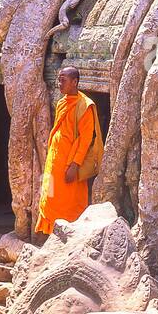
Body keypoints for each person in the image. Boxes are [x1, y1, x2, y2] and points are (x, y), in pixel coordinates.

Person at [35, 66, 97, 236]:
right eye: (59, 79)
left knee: (69, 204)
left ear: (75, 82)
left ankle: (70, 238)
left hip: (70, 166)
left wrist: (75, 164)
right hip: (55, 163)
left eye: (63, 80)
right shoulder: (63, 102)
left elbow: (85, 139)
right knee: (49, 197)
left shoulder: (85, 106)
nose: (59, 83)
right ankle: (50, 236)